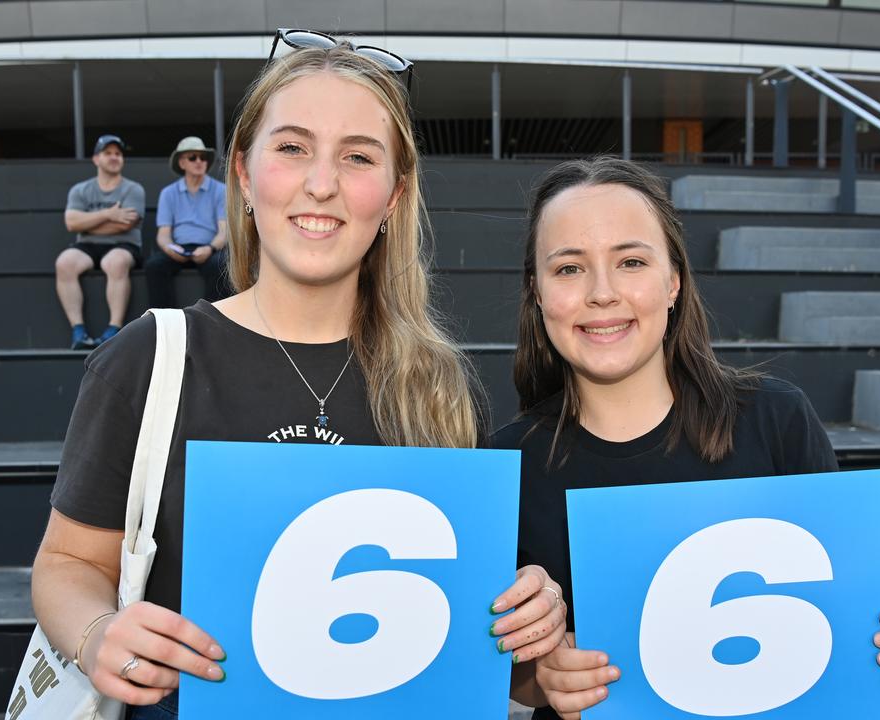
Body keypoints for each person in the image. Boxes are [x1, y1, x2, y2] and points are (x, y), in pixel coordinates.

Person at [29, 33, 564, 719]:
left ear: (395, 196)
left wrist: (529, 615)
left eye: (358, 157)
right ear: (245, 176)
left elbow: (481, 632)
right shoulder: (149, 357)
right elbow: (67, 564)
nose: (322, 183)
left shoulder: (442, 387)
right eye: (292, 148)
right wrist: (97, 633)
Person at [493, 157, 880, 719]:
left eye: (630, 261)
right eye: (569, 268)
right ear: (537, 291)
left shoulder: (776, 421)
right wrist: (542, 678)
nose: (602, 293)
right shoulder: (506, 463)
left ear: (673, 281)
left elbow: (842, 627)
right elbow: (505, 665)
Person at [56, 134, 146, 349]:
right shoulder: (80, 189)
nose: (114, 157)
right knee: (64, 263)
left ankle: (113, 329)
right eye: (108, 153)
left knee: (114, 263)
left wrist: (87, 222)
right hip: (87, 245)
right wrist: (108, 214)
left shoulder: (133, 189)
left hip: (123, 244)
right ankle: (78, 331)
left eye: (118, 153)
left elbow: (126, 224)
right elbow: (71, 223)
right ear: (96, 159)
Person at [145, 136, 229, 309]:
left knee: (221, 264)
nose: (199, 161)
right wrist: (170, 249)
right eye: (193, 157)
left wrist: (210, 248)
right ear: (182, 163)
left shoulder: (221, 190)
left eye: (203, 157)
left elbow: (224, 231)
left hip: (210, 249)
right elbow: (163, 235)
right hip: (179, 249)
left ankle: (212, 321)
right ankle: (165, 320)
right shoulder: (168, 193)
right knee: (154, 266)